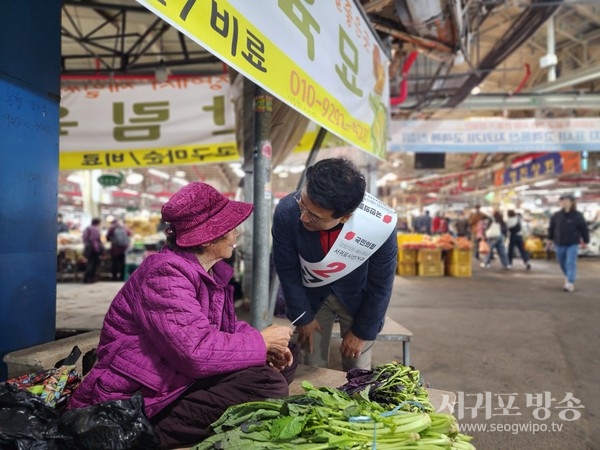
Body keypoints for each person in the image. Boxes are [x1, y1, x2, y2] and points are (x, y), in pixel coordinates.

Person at [68, 182, 297, 449]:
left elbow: (224, 329)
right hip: (142, 396)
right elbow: (195, 353)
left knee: (283, 358)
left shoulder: (204, 272)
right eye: (230, 228)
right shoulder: (164, 275)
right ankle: (145, 435)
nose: (236, 233)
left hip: (176, 377)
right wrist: (260, 342)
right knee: (266, 383)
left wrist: (265, 344)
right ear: (209, 237)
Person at [272, 158, 398, 372]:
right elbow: (287, 270)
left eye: (315, 217)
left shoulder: (379, 226)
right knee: (311, 368)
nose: (303, 217)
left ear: (344, 217)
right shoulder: (287, 211)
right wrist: (303, 316)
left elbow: (381, 283)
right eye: (303, 203)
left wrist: (362, 332)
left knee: (358, 370)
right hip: (311, 296)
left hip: (357, 296)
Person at [548, 194, 590, 292]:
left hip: (572, 243)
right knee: (562, 262)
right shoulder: (556, 216)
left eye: (566, 201)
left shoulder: (578, 215)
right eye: (562, 201)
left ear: (572, 202)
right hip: (559, 242)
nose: (564, 203)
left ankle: (570, 282)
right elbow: (551, 229)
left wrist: (586, 240)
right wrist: (549, 239)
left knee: (570, 263)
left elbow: (584, 228)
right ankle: (567, 277)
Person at [82, 218, 104, 283]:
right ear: (98, 223)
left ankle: (87, 277)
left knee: (89, 263)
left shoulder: (87, 228)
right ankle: (89, 278)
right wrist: (97, 250)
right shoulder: (95, 229)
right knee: (93, 264)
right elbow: (94, 240)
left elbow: (84, 238)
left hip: (88, 248)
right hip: (93, 249)